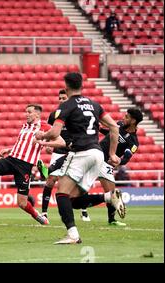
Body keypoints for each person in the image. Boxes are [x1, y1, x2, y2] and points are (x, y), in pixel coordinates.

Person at [34, 72, 122, 244]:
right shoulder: (95, 104)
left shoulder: (66, 106)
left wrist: (41, 135)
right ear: (82, 85)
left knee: (61, 194)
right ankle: (109, 197)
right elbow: (114, 127)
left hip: (80, 153)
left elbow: (55, 132)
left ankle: (73, 235)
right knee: (73, 200)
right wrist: (112, 153)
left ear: (66, 87)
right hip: (98, 155)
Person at [71, 108, 142, 226]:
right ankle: (91, 207)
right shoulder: (118, 125)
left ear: (133, 121)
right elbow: (109, 132)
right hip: (94, 157)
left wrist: (118, 161)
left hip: (106, 164)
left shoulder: (134, 142)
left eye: (127, 117)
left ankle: (112, 219)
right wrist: (98, 128)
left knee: (111, 193)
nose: (123, 118)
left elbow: (126, 158)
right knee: (108, 194)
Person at [36, 89, 80, 219]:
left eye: (64, 98)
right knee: (50, 181)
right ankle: (44, 212)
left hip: (73, 151)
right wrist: (48, 143)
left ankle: (83, 210)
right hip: (59, 150)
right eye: (59, 98)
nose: (61, 100)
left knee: (75, 182)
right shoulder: (54, 115)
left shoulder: (76, 114)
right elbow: (48, 131)